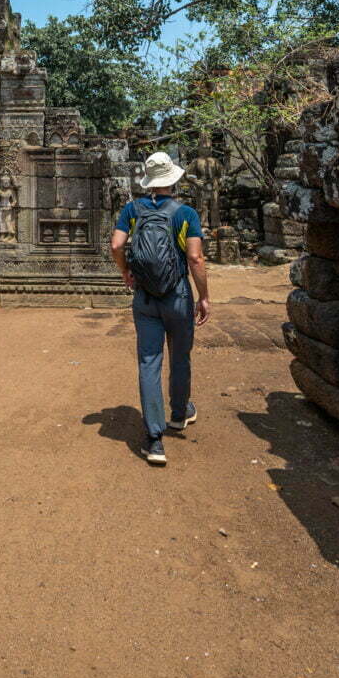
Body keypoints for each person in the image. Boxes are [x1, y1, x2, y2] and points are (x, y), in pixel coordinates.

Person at [110, 150, 211, 467]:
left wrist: (125, 271)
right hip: (178, 295)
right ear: (172, 178)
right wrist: (203, 295)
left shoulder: (132, 209)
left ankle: (154, 440)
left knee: (149, 362)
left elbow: (115, 245)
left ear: (149, 182)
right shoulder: (185, 213)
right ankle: (179, 415)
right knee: (180, 355)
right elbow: (195, 259)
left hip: (145, 298)